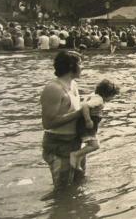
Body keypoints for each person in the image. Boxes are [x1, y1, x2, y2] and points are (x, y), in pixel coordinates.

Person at [40, 51, 84, 190]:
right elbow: (48, 123)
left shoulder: (74, 84)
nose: (82, 67)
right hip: (59, 143)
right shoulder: (54, 89)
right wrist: (78, 114)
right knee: (62, 189)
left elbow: (73, 110)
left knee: (79, 183)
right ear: (72, 66)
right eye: (81, 64)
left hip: (75, 141)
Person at [69, 79, 119, 170]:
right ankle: (75, 155)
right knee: (95, 145)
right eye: (112, 96)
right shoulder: (99, 100)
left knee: (90, 144)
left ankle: (78, 160)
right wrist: (88, 120)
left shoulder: (94, 95)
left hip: (86, 124)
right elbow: (85, 106)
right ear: (106, 94)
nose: (112, 99)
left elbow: (84, 103)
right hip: (86, 125)